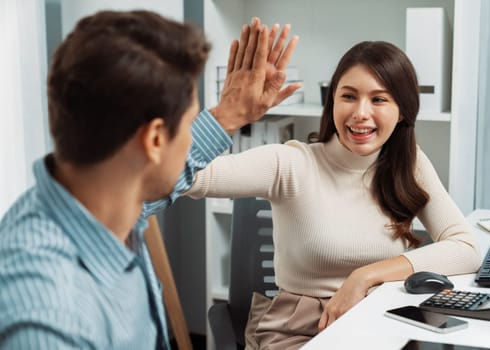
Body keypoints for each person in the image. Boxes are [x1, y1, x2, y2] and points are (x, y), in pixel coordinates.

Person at [0, 10, 300, 349]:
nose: (189, 139)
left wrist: (227, 115)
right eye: (188, 124)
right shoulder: (49, 321)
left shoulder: (105, 204)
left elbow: (178, 164)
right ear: (155, 140)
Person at [185, 41, 482, 349]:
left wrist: (363, 278)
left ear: (402, 112)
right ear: (333, 102)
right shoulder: (290, 163)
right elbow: (183, 177)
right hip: (299, 333)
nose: (360, 113)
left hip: (382, 327)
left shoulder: (409, 165)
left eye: (378, 99)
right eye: (349, 96)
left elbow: (466, 248)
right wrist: (225, 116)